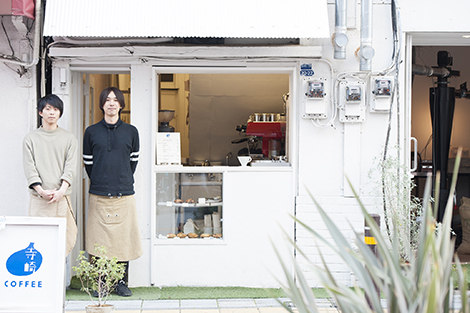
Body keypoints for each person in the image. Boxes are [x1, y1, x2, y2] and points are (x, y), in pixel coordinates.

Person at [83, 86, 142, 297]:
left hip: (124, 194)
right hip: (98, 194)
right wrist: (102, 179)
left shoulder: (131, 131)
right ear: (101, 104)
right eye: (107, 100)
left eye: (115, 100)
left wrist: (120, 179)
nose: (111, 103)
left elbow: (133, 161)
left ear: (121, 104)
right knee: (99, 241)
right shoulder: (91, 132)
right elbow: (88, 163)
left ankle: (121, 283)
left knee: (123, 240)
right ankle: (101, 283)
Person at [23, 94, 78, 256]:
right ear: (40, 112)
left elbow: (71, 166)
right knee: (37, 240)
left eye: (55, 109)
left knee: (63, 242)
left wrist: (61, 190)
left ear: (60, 113)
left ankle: (59, 281)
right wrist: (40, 190)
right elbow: (29, 167)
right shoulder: (30, 139)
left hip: (62, 198)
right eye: (48, 109)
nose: (52, 113)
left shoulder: (69, 138)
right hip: (39, 200)